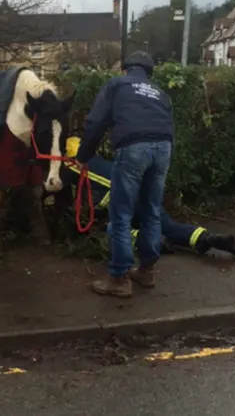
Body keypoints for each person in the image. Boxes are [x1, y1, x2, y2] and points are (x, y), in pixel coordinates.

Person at [75, 51, 174, 298]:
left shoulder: (117, 84)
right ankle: (147, 271)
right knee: (152, 209)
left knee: (121, 214)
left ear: (125, 69)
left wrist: (83, 155)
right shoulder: (160, 92)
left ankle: (119, 278)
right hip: (163, 148)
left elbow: (96, 122)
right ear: (149, 72)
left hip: (133, 148)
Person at [62, 136, 235, 268]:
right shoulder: (96, 160)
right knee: (168, 224)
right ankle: (207, 238)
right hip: (142, 190)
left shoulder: (70, 167)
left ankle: (154, 242)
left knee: (109, 230)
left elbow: (90, 202)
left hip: (121, 200)